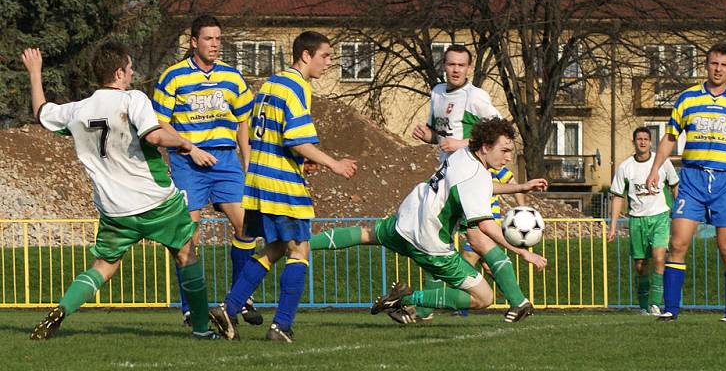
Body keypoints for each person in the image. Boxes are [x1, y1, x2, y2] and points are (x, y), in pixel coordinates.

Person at [22, 43, 218, 340]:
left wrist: (35, 72)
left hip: (115, 210)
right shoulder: (133, 99)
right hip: (156, 202)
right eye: (129, 69)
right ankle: (203, 331)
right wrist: (186, 144)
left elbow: (41, 112)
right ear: (118, 72)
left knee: (103, 266)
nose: (131, 74)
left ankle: (60, 311)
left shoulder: (77, 110)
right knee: (186, 253)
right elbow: (153, 136)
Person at [208, 31, 358, 342]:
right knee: (299, 249)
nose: (329, 63)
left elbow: (269, 134)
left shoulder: (270, 83)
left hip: (259, 181)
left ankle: (229, 307)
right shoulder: (296, 88)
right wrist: (333, 163)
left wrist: (303, 161)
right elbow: (297, 139)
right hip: (281, 185)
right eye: (325, 56)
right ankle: (281, 325)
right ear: (306, 55)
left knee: (275, 247)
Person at [366, 118, 547, 322]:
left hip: (434, 224)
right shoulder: (475, 174)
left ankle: (517, 302)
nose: (508, 158)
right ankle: (408, 302)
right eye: (505, 150)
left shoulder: (466, 155)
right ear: (486, 147)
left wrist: (521, 187)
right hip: (439, 233)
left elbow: (484, 185)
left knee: (366, 236)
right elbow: (485, 223)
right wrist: (523, 252)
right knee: (483, 295)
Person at [407, 44, 536, 322]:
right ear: (444, 65)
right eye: (451, 64)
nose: (455, 69)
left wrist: (462, 143)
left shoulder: (475, 97)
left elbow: (501, 132)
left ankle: (423, 308)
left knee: (460, 238)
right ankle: (518, 301)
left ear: (469, 68)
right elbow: (441, 136)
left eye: (461, 65)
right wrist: (429, 136)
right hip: (447, 174)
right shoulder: (437, 93)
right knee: (450, 240)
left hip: (467, 175)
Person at [152, 15, 261, 326]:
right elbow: (160, 123)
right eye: (209, 39)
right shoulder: (173, 77)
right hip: (188, 161)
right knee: (188, 236)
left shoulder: (232, 77)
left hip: (226, 161)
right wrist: (189, 148)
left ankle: (240, 299)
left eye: (218, 39)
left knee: (248, 227)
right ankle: (191, 308)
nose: (215, 44)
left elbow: (243, 121)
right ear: (193, 42)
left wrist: (247, 158)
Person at [645, 42, 726, 322]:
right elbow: (670, 137)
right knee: (677, 243)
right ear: (706, 64)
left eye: (724, 65)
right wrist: (655, 168)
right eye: (714, 63)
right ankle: (670, 310)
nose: (718, 69)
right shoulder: (688, 99)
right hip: (693, 179)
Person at [608, 127, 678, 315]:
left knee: (658, 256)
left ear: (651, 142)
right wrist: (612, 226)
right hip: (637, 220)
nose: (643, 142)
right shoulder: (625, 167)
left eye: (646, 139)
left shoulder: (662, 162)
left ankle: (656, 303)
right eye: (639, 139)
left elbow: (674, 186)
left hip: (660, 217)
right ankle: (643, 306)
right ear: (634, 142)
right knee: (640, 265)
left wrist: (679, 214)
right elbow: (617, 197)